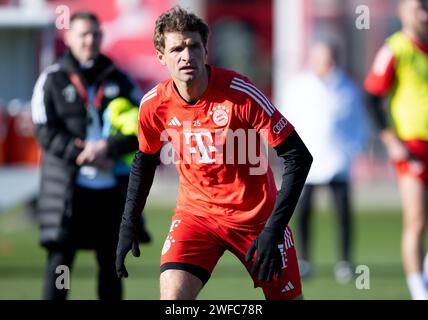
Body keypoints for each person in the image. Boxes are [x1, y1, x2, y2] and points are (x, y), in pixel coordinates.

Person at [115, 6, 313, 300]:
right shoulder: (154, 104)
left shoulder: (240, 93)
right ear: (161, 56)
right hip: (196, 217)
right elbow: (144, 161)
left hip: (256, 219)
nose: (187, 55)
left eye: (194, 46)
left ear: (205, 50)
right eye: (177, 48)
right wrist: (127, 224)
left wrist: (274, 228)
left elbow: (298, 156)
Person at [31, 11, 149, 300]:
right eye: (83, 34)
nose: (90, 40)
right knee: (61, 265)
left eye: (95, 34)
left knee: (111, 264)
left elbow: (144, 128)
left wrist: (108, 148)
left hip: (110, 190)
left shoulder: (120, 79)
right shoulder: (52, 79)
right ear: (68, 37)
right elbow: (43, 129)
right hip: (68, 191)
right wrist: (80, 152)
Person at [282, 40, 368, 283]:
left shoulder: (347, 87)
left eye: (329, 59)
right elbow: (286, 119)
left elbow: (359, 123)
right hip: (306, 160)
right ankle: (304, 260)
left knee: (342, 213)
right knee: (303, 212)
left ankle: (344, 261)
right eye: (320, 59)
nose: (325, 64)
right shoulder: (298, 86)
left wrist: (354, 148)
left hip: (338, 159)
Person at [364, 0, 428, 299]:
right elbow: (372, 97)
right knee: (417, 220)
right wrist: (391, 141)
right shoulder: (396, 49)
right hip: (413, 147)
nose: (424, 14)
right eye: (419, 7)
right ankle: (418, 290)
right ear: (402, 12)